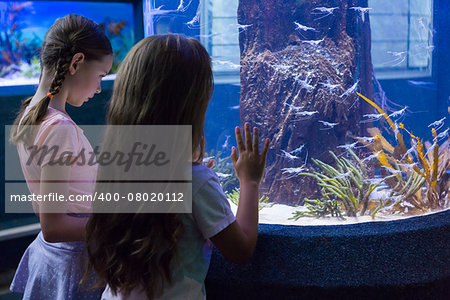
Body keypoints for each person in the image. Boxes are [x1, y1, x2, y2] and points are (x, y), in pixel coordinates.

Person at [83, 34, 270, 300]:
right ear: (189, 109)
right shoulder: (196, 183)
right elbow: (240, 250)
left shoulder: (114, 168)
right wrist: (249, 181)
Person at [9, 14, 113, 299]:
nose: (99, 88)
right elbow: (54, 225)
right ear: (76, 62)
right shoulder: (59, 128)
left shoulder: (31, 114)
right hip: (73, 263)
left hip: (52, 257)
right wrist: (117, 221)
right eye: (100, 76)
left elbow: (43, 204)